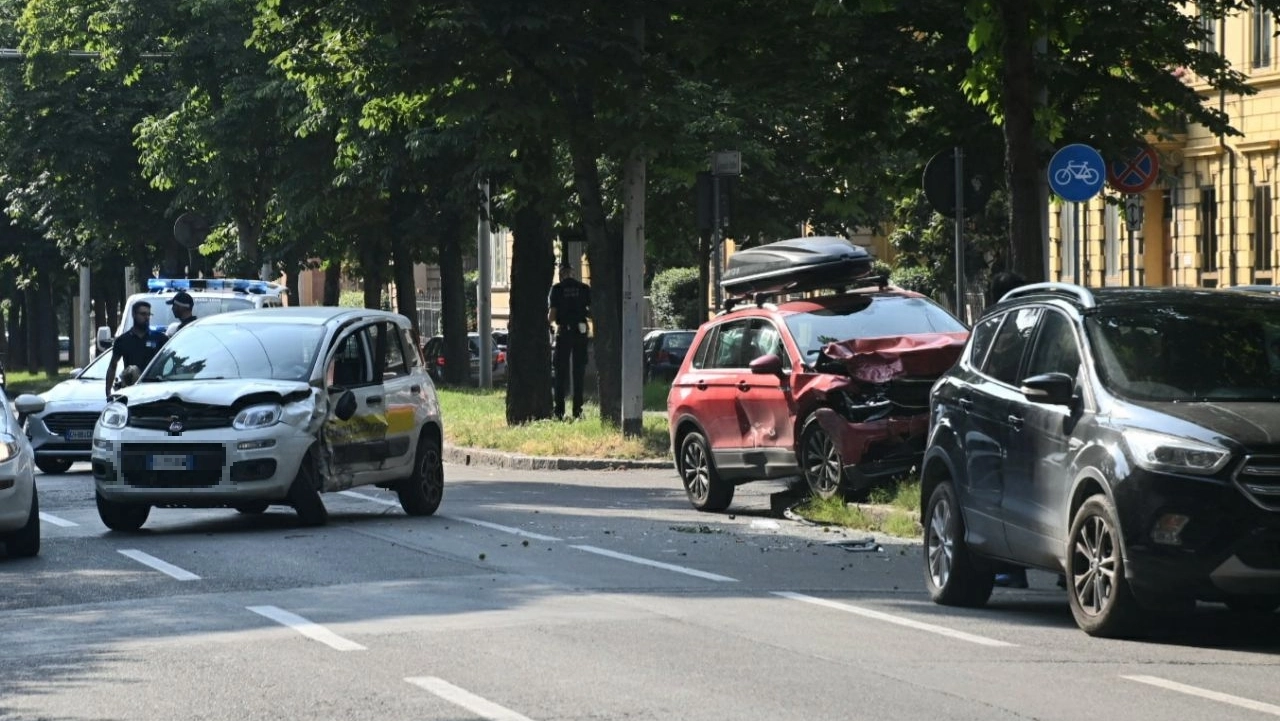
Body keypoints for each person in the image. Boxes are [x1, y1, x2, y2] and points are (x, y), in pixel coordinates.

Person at [547, 259, 591, 419]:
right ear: (573, 273)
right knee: (579, 372)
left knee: (560, 373)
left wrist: (547, 323)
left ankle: (559, 411)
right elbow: (591, 311)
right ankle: (577, 411)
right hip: (580, 333)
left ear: (561, 275)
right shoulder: (584, 288)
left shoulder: (557, 289)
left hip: (564, 333)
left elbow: (552, 315)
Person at [104, 301, 168, 398]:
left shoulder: (160, 339)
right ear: (134, 314)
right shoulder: (123, 340)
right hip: (131, 390)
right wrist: (108, 392)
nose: (146, 317)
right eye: (143, 314)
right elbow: (113, 366)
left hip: (155, 390)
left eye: (148, 314)